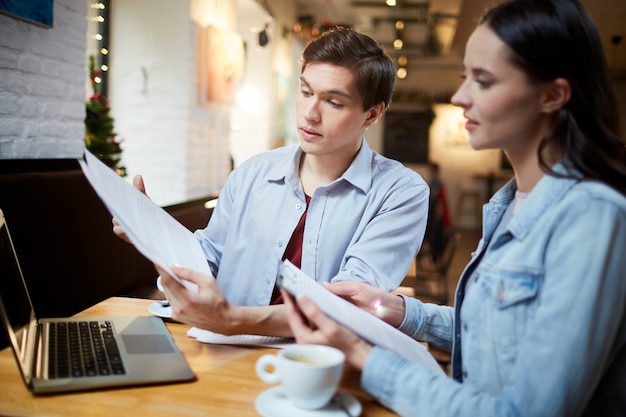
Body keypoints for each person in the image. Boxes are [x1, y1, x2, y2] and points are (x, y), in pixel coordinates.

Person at [283, 0, 626, 415]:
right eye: (466, 77)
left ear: (552, 95)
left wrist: (361, 353)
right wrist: (401, 311)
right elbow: (495, 337)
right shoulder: (510, 204)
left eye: (482, 81)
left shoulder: (592, 218)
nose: (459, 96)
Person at [114, 27, 429, 337]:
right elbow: (208, 260)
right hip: (223, 349)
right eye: (305, 92)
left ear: (372, 115)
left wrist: (232, 320)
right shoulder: (253, 173)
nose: (310, 114)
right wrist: (151, 233)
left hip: (316, 365)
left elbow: (349, 306)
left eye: (333, 102)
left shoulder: (400, 192)